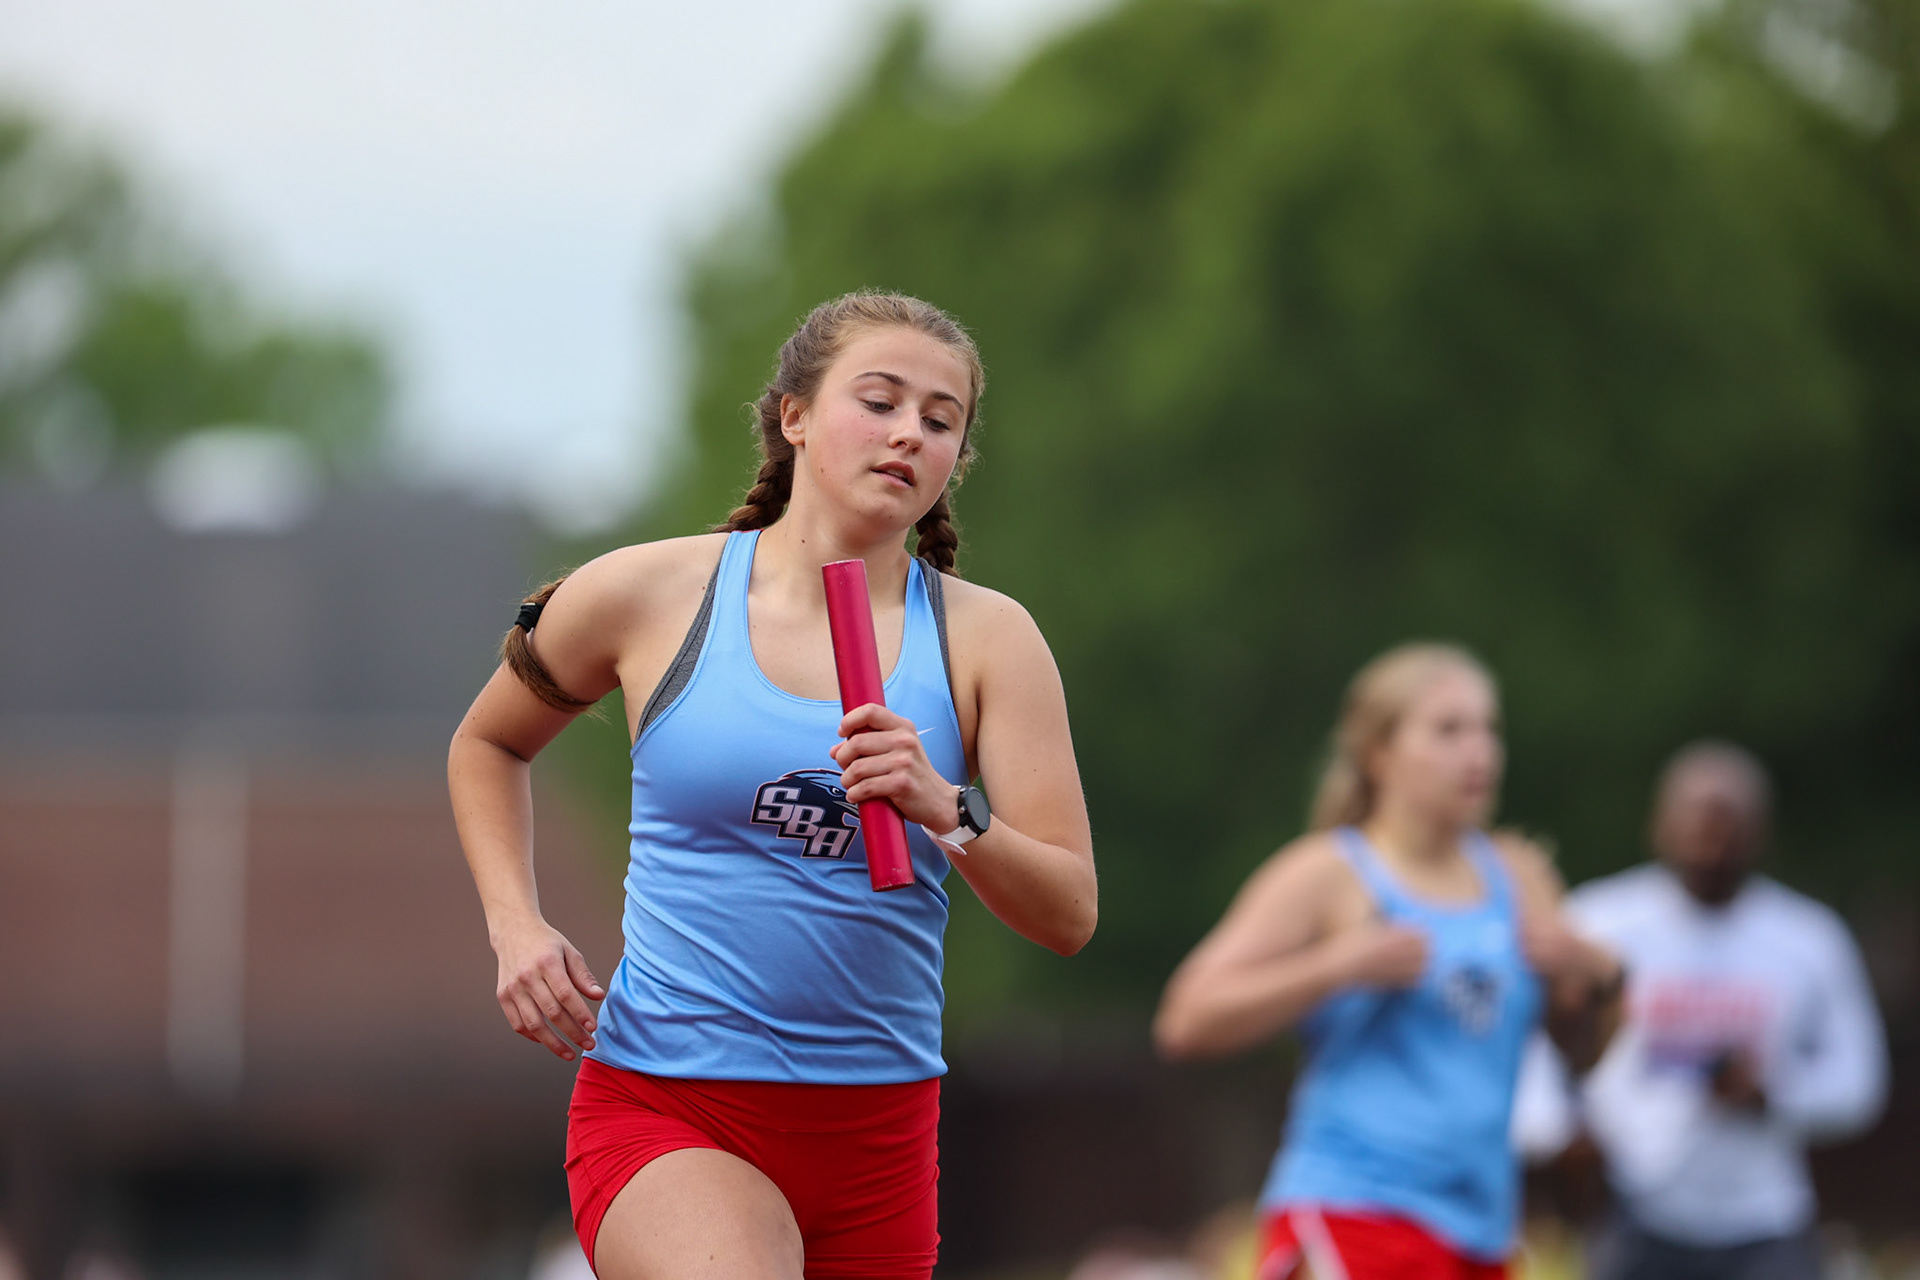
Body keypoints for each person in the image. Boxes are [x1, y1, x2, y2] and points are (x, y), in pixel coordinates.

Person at [448, 292, 1097, 1280]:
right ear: (793, 414)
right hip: (670, 1099)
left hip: (878, 1130)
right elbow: (488, 743)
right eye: (878, 400)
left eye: (939, 418)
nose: (907, 433)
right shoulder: (645, 593)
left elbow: (1067, 910)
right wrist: (515, 923)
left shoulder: (989, 638)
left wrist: (947, 805)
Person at [1154, 644, 1622, 1280]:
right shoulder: (1330, 873)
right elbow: (1185, 1020)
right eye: (1449, 730)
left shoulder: (1520, 876)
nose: (1478, 752)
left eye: (1489, 729)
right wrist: (1335, 968)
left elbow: (1584, 1054)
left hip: (1483, 1232)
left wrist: (1606, 979)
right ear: (1378, 755)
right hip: (1355, 1215)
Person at [1511, 741, 1889, 1280]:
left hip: (1765, 1216)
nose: (1712, 844)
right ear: (1660, 825)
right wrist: (1557, 1133)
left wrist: (1774, 1095)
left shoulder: (1809, 939)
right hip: (1633, 1205)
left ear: (1760, 831)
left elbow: (1859, 1081)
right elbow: (1530, 1045)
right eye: (1697, 823)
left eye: (1728, 825)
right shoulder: (1603, 923)